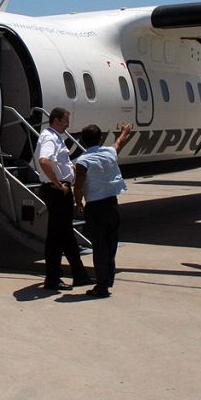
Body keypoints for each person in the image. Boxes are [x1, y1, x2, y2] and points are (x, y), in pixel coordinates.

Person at [73, 123, 133, 298]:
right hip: (112, 205)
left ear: (83, 142)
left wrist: (78, 203)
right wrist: (125, 131)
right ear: (100, 139)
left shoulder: (83, 161)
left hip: (95, 208)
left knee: (99, 248)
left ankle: (101, 286)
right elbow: (119, 143)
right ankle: (107, 281)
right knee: (110, 246)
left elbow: (78, 186)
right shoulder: (109, 152)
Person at [36, 107, 91, 291]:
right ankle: (52, 278)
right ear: (56, 120)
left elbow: (58, 162)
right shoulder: (49, 137)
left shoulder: (57, 137)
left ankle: (79, 274)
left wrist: (70, 170)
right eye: (66, 121)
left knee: (66, 235)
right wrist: (58, 184)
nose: (68, 125)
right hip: (57, 192)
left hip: (61, 191)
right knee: (56, 237)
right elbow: (44, 161)